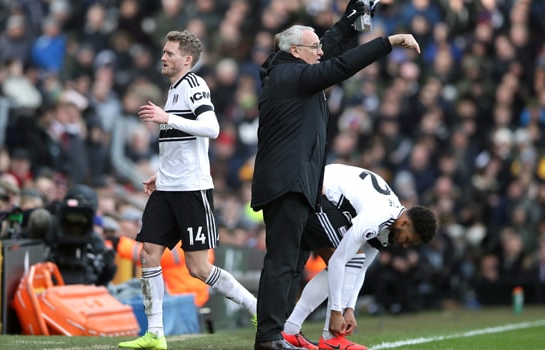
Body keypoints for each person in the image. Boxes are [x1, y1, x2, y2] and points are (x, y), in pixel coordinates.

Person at [251, 0, 423, 348]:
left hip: (299, 183)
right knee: (282, 264)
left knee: (291, 264)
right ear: (297, 51)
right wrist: (388, 42)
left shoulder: (293, 69)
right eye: (313, 48)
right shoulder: (290, 76)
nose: (320, 52)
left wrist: (349, 18)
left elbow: (328, 48)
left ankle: (280, 333)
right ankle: (269, 338)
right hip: (288, 182)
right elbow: (339, 66)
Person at [117, 30, 257, 350]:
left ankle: (254, 306)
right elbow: (180, 144)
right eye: (163, 52)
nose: (163, 57)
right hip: (167, 187)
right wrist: (159, 172)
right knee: (148, 254)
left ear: (187, 60)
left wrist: (167, 117)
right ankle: (156, 334)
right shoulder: (173, 89)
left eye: (169, 53)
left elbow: (211, 128)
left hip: (191, 190)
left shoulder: (194, 85)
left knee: (198, 267)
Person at [279, 164, 437, 350]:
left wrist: (349, 309)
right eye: (408, 240)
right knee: (347, 258)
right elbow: (339, 259)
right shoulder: (379, 215)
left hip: (325, 197)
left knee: (354, 259)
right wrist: (337, 311)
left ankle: (291, 330)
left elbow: (362, 267)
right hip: (311, 189)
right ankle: (330, 339)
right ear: (404, 222)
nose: (404, 245)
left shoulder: (391, 223)